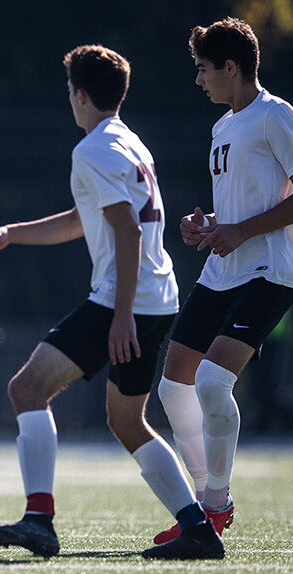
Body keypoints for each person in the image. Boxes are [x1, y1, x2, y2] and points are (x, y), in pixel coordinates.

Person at [0, 45, 223, 561]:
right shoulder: (128, 142)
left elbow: (126, 232)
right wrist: (10, 233)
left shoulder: (92, 149)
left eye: (69, 92)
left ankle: (39, 518)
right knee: (127, 421)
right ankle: (198, 529)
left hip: (124, 301)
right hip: (159, 298)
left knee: (27, 388)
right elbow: (87, 218)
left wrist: (122, 313)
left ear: (79, 95)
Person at [151, 16, 293, 553]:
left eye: (203, 69)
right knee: (172, 386)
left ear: (231, 68)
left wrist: (240, 230)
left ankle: (213, 506)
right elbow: (242, 207)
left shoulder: (275, 116)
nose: (198, 79)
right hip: (222, 268)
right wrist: (209, 226)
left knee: (211, 382)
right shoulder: (223, 126)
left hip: (270, 271)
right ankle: (204, 498)